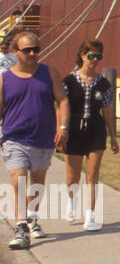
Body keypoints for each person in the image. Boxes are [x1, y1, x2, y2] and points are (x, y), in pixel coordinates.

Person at [1, 31, 69, 249]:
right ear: (15, 52)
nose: (32, 53)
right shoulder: (4, 79)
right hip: (14, 138)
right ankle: (21, 227)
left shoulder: (49, 73)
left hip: (43, 137)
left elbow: (63, 100)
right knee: (18, 179)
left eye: (36, 49)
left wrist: (63, 127)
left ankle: (32, 217)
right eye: (27, 50)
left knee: (37, 182)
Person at [62, 38, 120, 230]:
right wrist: (61, 131)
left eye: (98, 56)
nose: (94, 60)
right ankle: (72, 201)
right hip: (75, 130)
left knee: (92, 175)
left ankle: (90, 216)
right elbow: (61, 107)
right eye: (91, 56)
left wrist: (113, 137)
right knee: (73, 177)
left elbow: (108, 111)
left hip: (95, 130)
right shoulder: (68, 82)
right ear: (82, 56)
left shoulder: (103, 84)